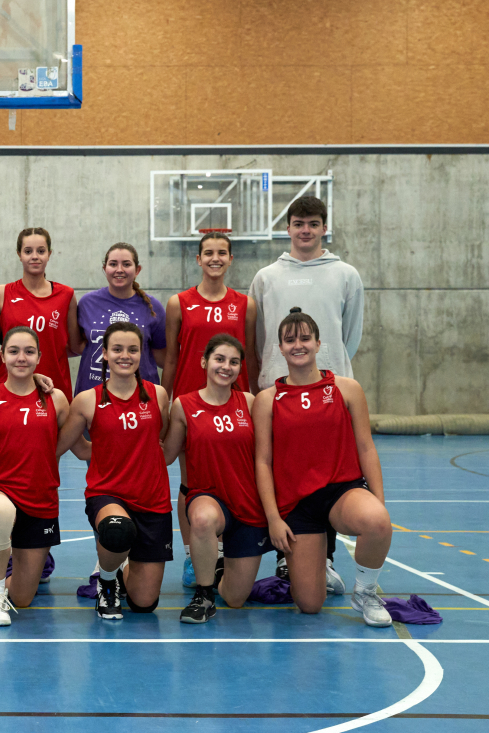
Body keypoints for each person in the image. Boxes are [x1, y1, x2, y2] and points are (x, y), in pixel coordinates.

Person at [248, 196, 363, 589]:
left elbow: (350, 335)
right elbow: (260, 337)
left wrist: (326, 369)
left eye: (313, 223)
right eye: (299, 223)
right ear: (288, 228)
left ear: (324, 228)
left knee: (328, 475)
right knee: (284, 472)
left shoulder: (346, 274)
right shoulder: (267, 277)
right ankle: (288, 557)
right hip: (279, 393)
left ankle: (324, 559)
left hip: (327, 393)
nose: (306, 230)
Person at [252, 308, 392, 627]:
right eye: (290, 340)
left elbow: (366, 447)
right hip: (297, 504)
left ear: (318, 343)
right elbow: (263, 461)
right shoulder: (267, 399)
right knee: (310, 605)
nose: (298, 345)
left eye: (305, 338)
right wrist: (273, 519)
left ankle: (365, 593)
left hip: (342, 492)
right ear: (280, 348)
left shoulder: (346, 389)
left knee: (377, 521)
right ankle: (318, 569)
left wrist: (378, 503)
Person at [0, 327, 75, 626]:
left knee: (22, 597)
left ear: (39, 357)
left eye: (29, 352)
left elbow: (80, 446)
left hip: (40, 500)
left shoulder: (56, 399)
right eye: (14, 351)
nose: (21, 358)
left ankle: (1, 568)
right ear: (2, 356)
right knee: (0, 512)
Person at [160, 231, 257, 589]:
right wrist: (165, 400)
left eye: (222, 253)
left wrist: (255, 398)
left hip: (232, 400)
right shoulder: (178, 302)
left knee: (235, 476)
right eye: (208, 253)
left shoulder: (245, 304)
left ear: (231, 259)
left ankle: (228, 548)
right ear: (198, 259)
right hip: (190, 402)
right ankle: (194, 554)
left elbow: (252, 356)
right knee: (191, 480)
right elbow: (172, 358)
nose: (215, 258)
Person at [58, 322, 172, 620]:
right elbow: (69, 447)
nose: (125, 355)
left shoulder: (158, 395)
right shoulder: (87, 400)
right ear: (105, 354)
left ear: (141, 353)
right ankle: (107, 581)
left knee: (144, 604)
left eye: (133, 349)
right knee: (117, 529)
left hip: (152, 499)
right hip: (108, 494)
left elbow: (159, 440)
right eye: (117, 349)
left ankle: (123, 570)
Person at [162, 335, 270, 623]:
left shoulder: (250, 402)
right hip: (207, 496)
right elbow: (167, 455)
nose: (226, 366)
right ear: (204, 362)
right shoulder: (184, 405)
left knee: (235, 599)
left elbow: (268, 453)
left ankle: (219, 572)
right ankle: (204, 595)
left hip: (248, 505)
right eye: (219, 359)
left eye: (233, 362)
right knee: (202, 520)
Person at [0, 227, 80, 400]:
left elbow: (75, 347)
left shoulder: (66, 295)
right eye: (28, 251)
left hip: (53, 387)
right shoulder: (1, 294)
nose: (35, 256)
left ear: (49, 254)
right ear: (19, 254)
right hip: (9, 386)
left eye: (41, 251)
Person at [74, 243, 166, 398]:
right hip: (94, 393)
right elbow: (77, 346)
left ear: (137, 270)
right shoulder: (87, 303)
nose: (119, 269)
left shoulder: (153, 307)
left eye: (126, 264)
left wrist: (165, 397)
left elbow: (164, 358)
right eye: (113, 264)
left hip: (139, 396)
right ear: (104, 268)